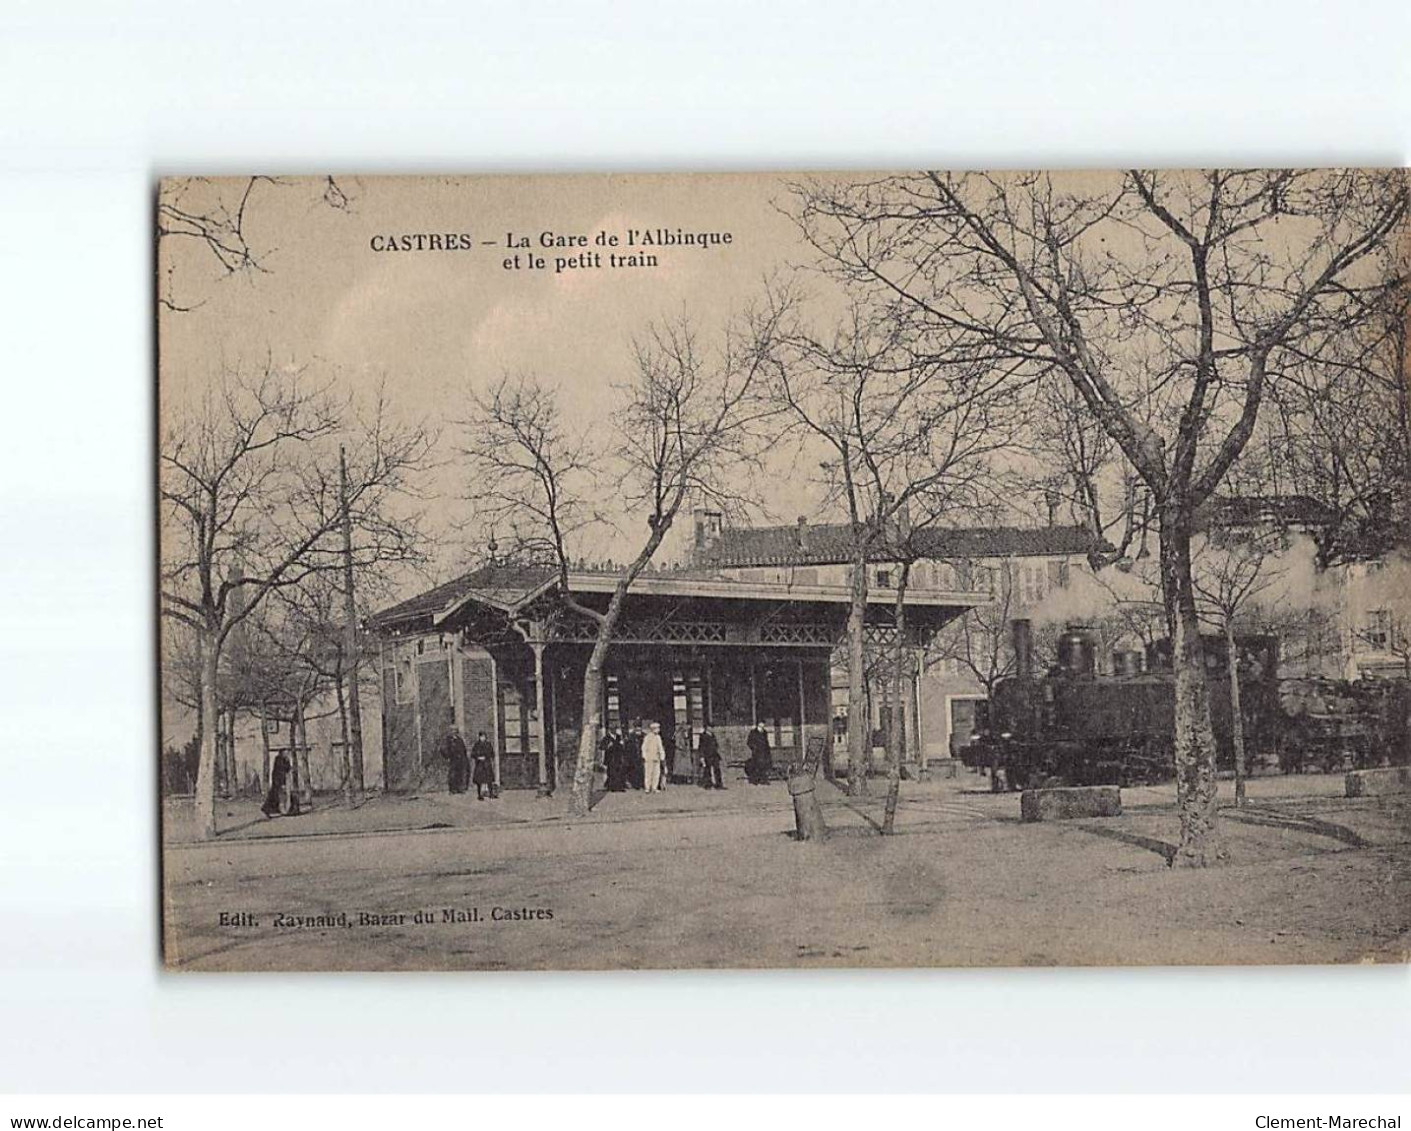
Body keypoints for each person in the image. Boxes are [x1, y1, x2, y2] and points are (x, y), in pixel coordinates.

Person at [261, 749, 291, 817]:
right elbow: (282, 770)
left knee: (275, 796)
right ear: (282, 753)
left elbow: (288, 769)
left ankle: (269, 809)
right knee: (275, 796)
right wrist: (281, 783)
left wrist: (287, 761)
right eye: (285, 752)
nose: (287, 754)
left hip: (279, 780)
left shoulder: (283, 759)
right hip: (277, 781)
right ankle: (267, 808)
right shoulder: (279, 759)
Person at [441, 727, 470, 794]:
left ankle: (460, 788)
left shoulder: (459, 740)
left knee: (460, 774)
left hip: (460, 760)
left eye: (455, 731)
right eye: (453, 731)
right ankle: (452, 789)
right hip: (453, 759)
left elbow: (463, 749)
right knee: (452, 774)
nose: (454, 733)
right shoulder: (448, 740)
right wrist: (447, 756)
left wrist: (464, 757)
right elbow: (443, 749)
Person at [641, 721, 666, 793]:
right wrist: (644, 756)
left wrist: (662, 757)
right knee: (648, 773)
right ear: (653, 729)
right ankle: (647, 787)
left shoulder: (658, 737)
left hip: (656, 757)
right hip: (649, 758)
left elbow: (660, 748)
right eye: (657, 728)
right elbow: (644, 747)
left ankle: (654, 787)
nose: (658, 730)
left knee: (656, 773)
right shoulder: (647, 737)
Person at [470, 731, 495, 800]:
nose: (483, 738)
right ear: (479, 737)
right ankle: (479, 795)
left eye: (484, 737)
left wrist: (487, 757)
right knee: (479, 780)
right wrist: (478, 757)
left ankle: (491, 793)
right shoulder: (476, 745)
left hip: (487, 764)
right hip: (479, 764)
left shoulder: (488, 744)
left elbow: (492, 754)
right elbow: (473, 754)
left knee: (489, 779)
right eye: (481, 736)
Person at [601, 726, 627, 791]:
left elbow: (621, 747)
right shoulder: (606, 738)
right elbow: (602, 747)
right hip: (610, 758)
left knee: (618, 772)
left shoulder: (618, 737)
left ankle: (619, 787)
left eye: (615, 729)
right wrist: (608, 746)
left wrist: (622, 744)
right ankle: (611, 787)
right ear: (610, 730)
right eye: (613, 729)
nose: (614, 731)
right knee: (611, 772)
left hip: (618, 757)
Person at [698, 724, 724, 789]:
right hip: (707, 755)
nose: (712, 729)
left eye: (713, 727)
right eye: (711, 727)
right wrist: (702, 757)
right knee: (707, 770)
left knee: (717, 769)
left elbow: (716, 744)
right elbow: (701, 747)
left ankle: (719, 784)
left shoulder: (712, 735)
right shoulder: (703, 736)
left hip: (714, 755)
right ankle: (708, 784)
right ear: (707, 728)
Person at [626, 721, 646, 790]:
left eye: (639, 728)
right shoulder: (631, 736)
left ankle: (641, 784)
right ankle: (635, 784)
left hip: (641, 755)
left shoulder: (644, 736)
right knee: (634, 770)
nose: (638, 730)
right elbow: (628, 747)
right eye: (637, 729)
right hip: (633, 756)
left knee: (641, 770)